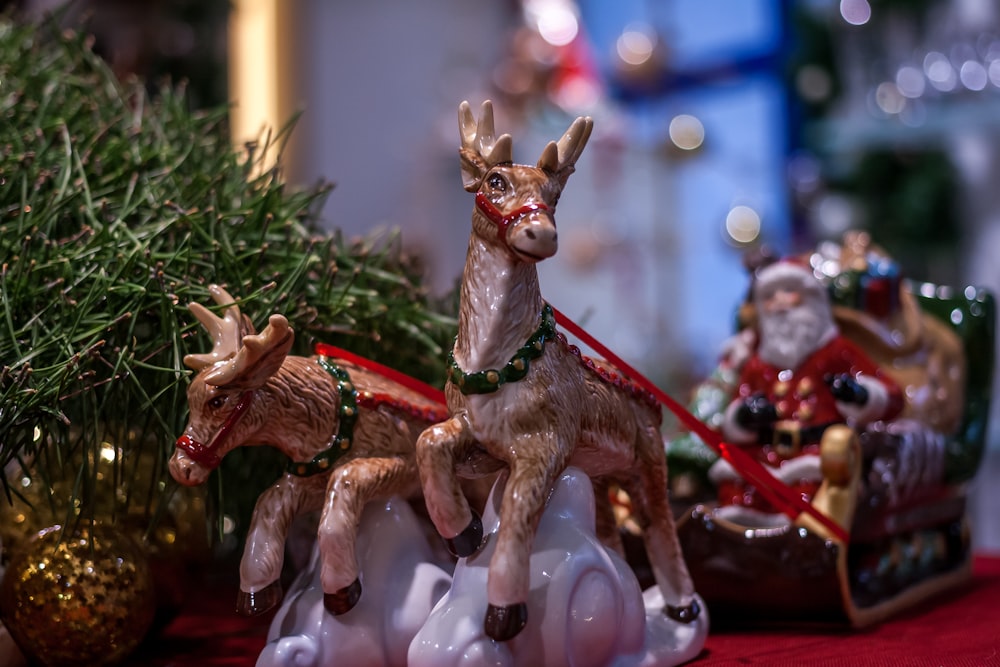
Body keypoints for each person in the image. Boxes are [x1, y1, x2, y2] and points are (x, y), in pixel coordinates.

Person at [710, 258, 904, 512]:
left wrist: (859, 395)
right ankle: (740, 532)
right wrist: (744, 415)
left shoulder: (836, 352)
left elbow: (891, 396)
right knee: (737, 493)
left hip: (817, 455)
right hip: (766, 456)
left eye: (789, 293)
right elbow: (736, 407)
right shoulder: (759, 364)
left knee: (811, 499)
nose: (779, 303)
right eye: (769, 296)